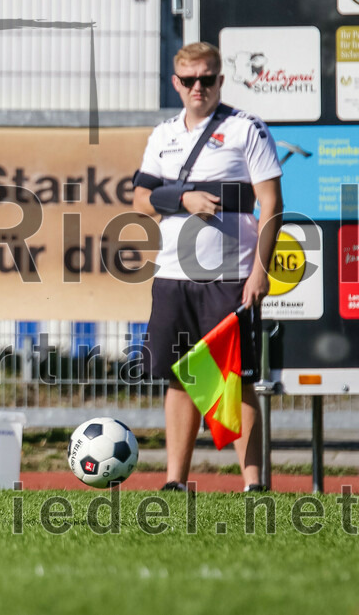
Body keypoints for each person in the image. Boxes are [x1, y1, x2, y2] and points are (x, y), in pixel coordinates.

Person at [132, 41, 283, 493]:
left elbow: (271, 204)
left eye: (206, 79)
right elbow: (141, 201)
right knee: (180, 378)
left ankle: (253, 484)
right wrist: (183, 199)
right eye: (189, 79)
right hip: (173, 276)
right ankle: (175, 481)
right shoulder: (162, 134)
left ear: (220, 80)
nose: (198, 87)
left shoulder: (246, 129)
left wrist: (260, 272)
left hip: (230, 277)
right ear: (176, 83)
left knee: (234, 379)